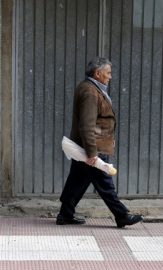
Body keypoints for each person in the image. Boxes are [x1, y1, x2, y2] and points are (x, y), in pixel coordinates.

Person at [56, 57, 143, 228]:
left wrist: (109, 139)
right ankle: (121, 215)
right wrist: (93, 154)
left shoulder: (92, 88)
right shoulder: (90, 92)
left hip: (92, 144)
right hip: (91, 146)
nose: (110, 77)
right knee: (104, 181)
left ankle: (65, 214)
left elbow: (100, 121)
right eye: (108, 73)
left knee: (77, 180)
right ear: (98, 73)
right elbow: (87, 125)